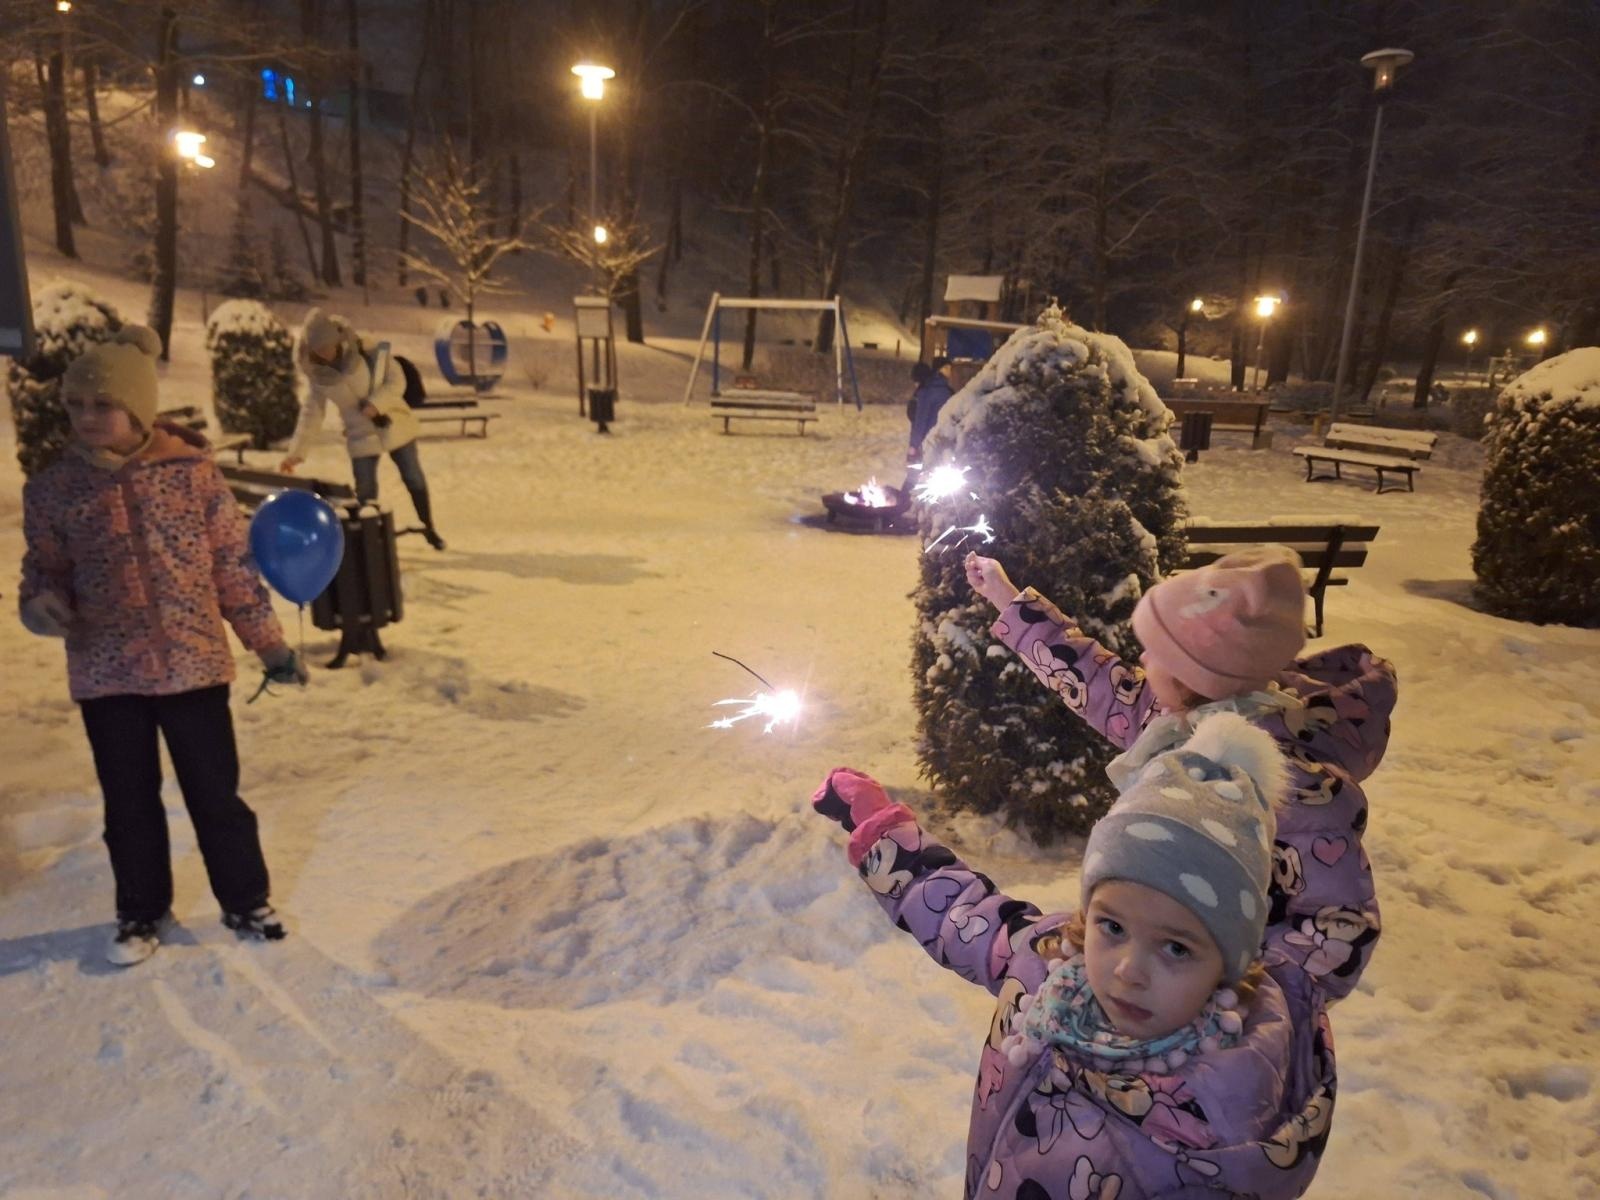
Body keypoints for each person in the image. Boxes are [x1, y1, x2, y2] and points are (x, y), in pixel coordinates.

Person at [811, 712, 1338, 1197]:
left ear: (1231, 961)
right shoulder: (1057, 963)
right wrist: (882, 830)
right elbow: (966, 914)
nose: (1128, 970)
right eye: (1112, 925)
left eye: (1176, 947)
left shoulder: (1222, 1126)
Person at [965, 545, 1395, 1001]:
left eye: (1155, 653)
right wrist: (1006, 597)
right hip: (1145, 969)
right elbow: (1092, 680)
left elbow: (1339, 924)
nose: (1142, 662)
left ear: (1195, 678)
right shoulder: (1171, 721)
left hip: (1209, 1021)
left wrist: (1229, 992)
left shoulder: (1291, 789)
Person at [18, 325, 305, 966]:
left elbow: (232, 566)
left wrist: (270, 645)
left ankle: (245, 898)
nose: (87, 417)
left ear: (139, 408)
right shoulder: (54, 490)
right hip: (106, 672)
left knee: (215, 795)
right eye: (76, 406)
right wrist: (38, 604)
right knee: (128, 802)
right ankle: (141, 911)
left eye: (103, 404)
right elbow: (44, 569)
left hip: (193, 664)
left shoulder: (192, 476)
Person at [280, 308, 446, 550]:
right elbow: (311, 414)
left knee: (413, 477)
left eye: (328, 346)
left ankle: (428, 527)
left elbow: (396, 379)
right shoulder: (318, 376)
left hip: (394, 423)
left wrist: (377, 404)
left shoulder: (367, 349)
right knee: (365, 490)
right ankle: (372, 541)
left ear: (337, 341)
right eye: (318, 349)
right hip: (360, 435)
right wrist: (296, 453)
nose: (325, 353)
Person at [908, 355, 955, 464]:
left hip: (930, 441)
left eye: (950, 368)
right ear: (938, 370)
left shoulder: (929, 390)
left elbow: (919, 421)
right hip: (940, 440)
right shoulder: (941, 391)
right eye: (946, 368)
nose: (950, 372)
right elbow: (921, 420)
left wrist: (913, 446)